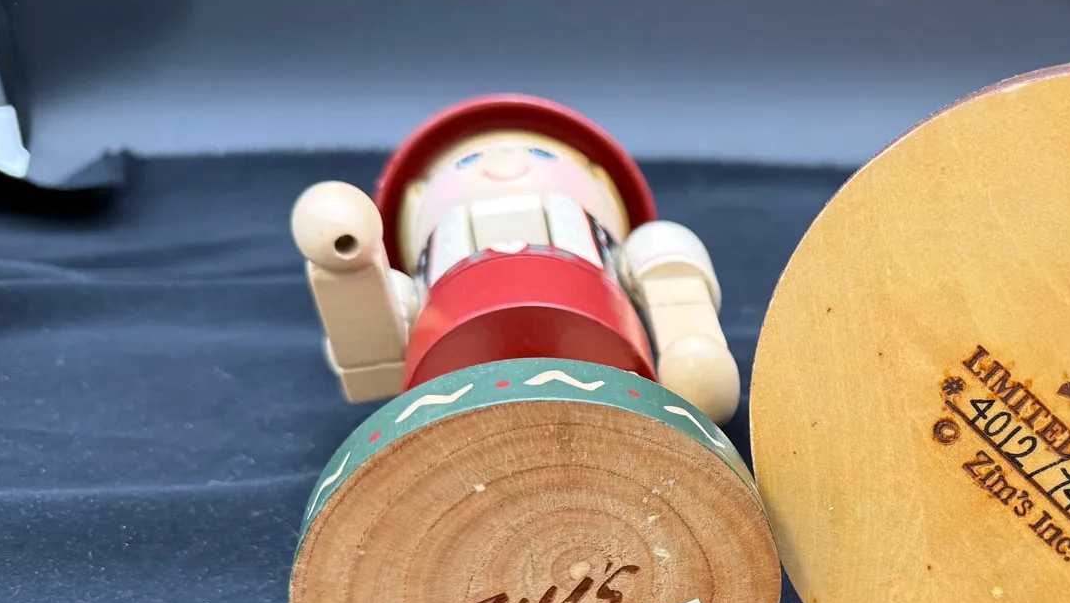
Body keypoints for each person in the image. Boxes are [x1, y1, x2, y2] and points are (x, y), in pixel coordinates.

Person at [290, 94, 741, 422]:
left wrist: (691, 354)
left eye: (540, 153)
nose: (505, 165)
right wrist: (354, 287)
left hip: (609, 371)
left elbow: (670, 274)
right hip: (452, 395)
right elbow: (378, 343)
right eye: (466, 162)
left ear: (601, 183)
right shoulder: (424, 273)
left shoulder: (612, 244)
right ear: (415, 199)